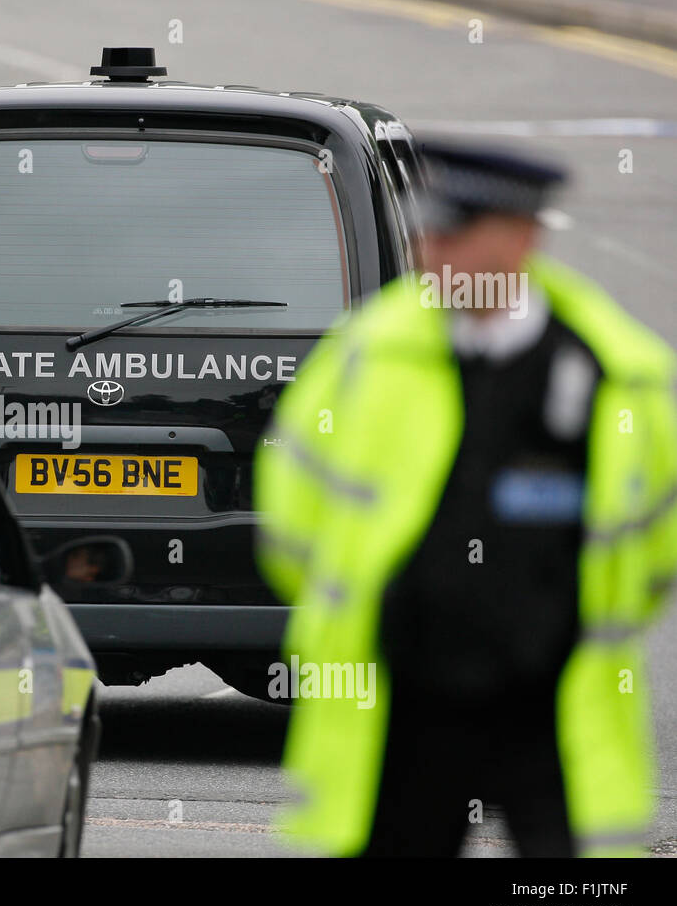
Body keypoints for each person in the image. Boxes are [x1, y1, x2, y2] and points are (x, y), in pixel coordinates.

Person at [254, 141, 677, 857]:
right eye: (427, 231)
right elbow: (292, 531)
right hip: (402, 706)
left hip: (554, 710)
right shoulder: (365, 357)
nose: (429, 250)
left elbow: (652, 550)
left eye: (453, 233)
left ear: (522, 238)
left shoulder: (617, 372)